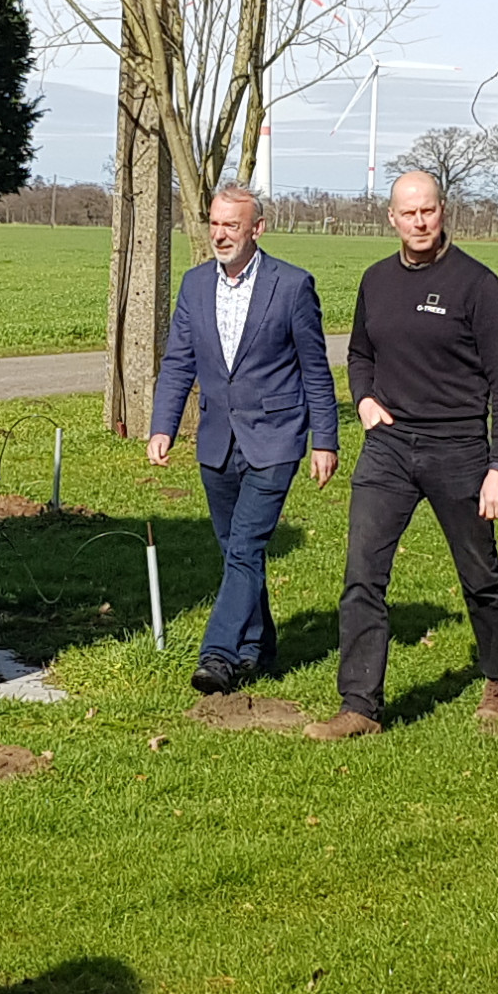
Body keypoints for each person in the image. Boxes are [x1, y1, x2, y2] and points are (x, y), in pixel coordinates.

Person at [320, 169, 498, 738]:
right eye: (408, 213)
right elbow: (359, 351)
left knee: (479, 574)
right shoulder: (376, 280)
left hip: (458, 449)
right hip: (387, 449)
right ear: (392, 217)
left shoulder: (477, 284)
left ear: (442, 211)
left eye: (427, 211)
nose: (419, 221)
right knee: (362, 575)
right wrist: (362, 399)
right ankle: (359, 706)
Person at [148, 186, 338, 693]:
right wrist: (163, 425)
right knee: (237, 549)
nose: (220, 234)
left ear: (257, 229)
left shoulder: (292, 286)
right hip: (215, 441)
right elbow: (178, 363)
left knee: (246, 546)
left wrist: (326, 440)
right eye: (214, 223)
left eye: (232, 225)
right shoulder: (193, 286)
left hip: (275, 439)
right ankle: (259, 645)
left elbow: (315, 370)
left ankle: (219, 653)